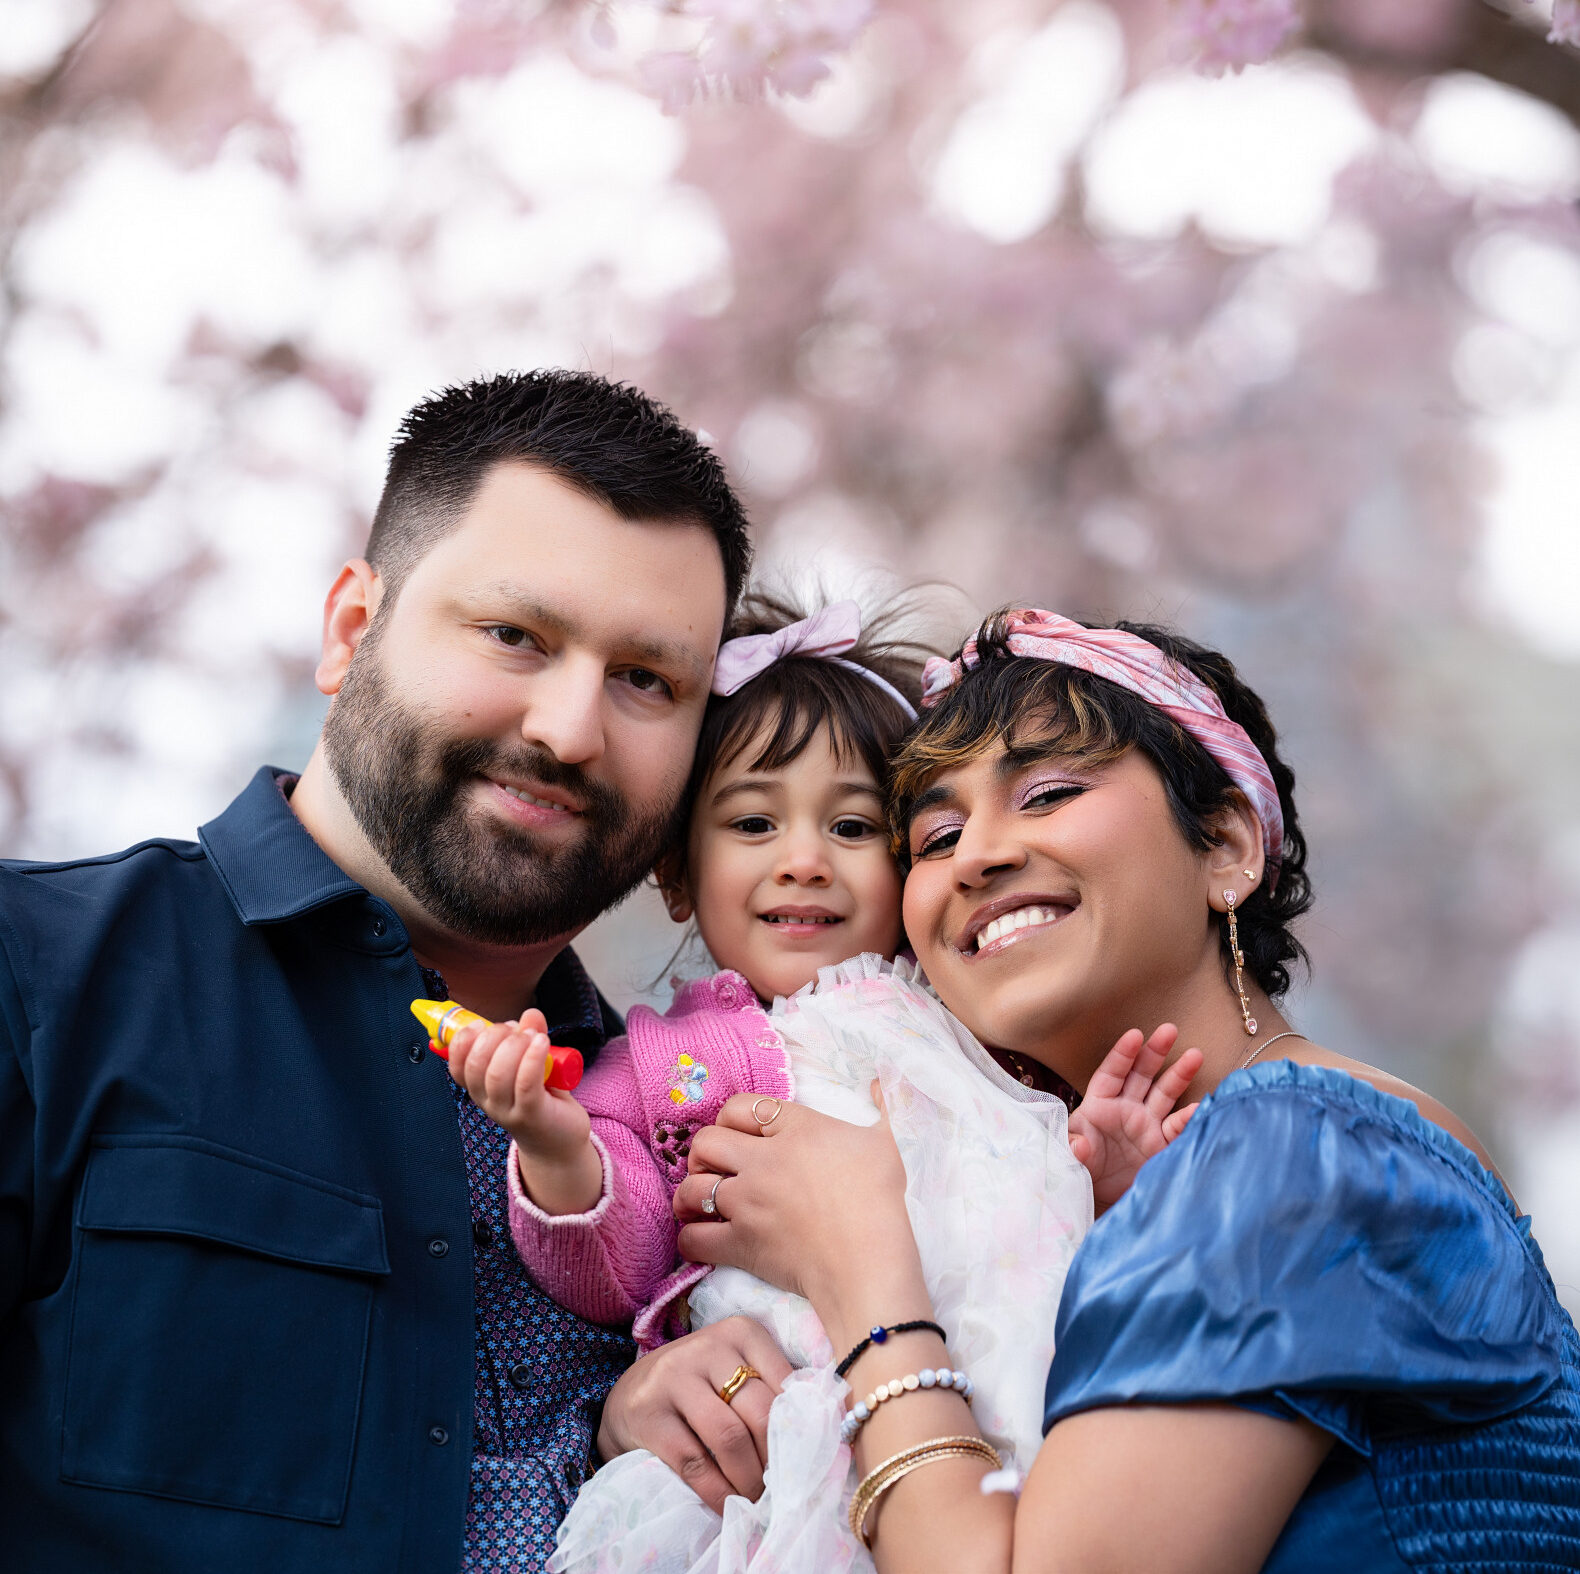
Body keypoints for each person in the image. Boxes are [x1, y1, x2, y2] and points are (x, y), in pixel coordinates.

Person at [0, 369, 756, 1572]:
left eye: (644, 679)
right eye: (514, 634)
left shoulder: (698, 1131)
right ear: (351, 629)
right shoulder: (39, 979)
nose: (569, 727)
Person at [658, 608, 1580, 1573]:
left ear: (1224, 846)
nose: (976, 856)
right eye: (934, 838)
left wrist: (865, 1274)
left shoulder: (1292, 1154)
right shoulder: (1120, 1185)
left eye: (1048, 792)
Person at [448, 595, 1200, 1572]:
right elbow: (621, 1260)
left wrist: (1102, 1175)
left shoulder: (972, 1018)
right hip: (796, 1419)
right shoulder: (677, 1060)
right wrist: (556, 1149)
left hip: (998, 1381)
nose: (802, 861)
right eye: (754, 821)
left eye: (850, 825)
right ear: (680, 875)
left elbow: (1017, 1187)